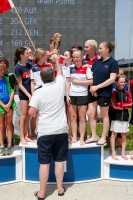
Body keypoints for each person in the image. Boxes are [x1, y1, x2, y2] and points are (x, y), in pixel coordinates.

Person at [28, 55, 68, 199]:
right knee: (59, 160)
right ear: (53, 76)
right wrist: (57, 61)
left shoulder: (38, 92)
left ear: (41, 78)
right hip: (62, 130)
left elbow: (31, 113)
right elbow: (60, 73)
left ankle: (42, 193)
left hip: (45, 132)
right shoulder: (59, 84)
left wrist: (37, 107)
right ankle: (60, 189)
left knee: (44, 163)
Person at [86, 41, 119, 145]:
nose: (99, 50)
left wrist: (98, 87)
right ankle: (94, 136)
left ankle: (103, 137)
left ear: (107, 49)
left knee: (104, 115)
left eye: (100, 48)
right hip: (93, 91)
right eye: (99, 48)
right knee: (90, 114)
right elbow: (91, 76)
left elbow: (112, 79)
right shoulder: (96, 62)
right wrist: (93, 88)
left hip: (104, 92)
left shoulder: (113, 62)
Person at [66, 50, 93, 146]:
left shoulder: (86, 69)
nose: (75, 59)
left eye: (77, 57)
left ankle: (81, 138)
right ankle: (73, 136)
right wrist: (67, 95)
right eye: (74, 57)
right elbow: (68, 82)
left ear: (82, 58)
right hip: (72, 95)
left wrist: (78, 82)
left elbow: (90, 82)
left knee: (82, 118)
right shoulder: (70, 68)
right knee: (73, 118)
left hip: (82, 94)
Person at [14, 46, 34, 145]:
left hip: (31, 93)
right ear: (21, 55)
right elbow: (20, 84)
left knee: (28, 115)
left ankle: (27, 135)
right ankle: (22, 136)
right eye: (26, 53)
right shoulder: (18, 67)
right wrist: (28, 95)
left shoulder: (29, 65)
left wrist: (32, 94)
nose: (28, 54)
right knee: (23, 115)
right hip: (24, 94)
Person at [110, 75, 132, 160]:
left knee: (124, 134)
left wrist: (121, 105)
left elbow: (130, 104)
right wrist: (124, 105)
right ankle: (113, 153)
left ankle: (123, 153)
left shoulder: (127, 93)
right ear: (117, 83)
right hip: (116, 117)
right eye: (121, 82)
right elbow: (114, 105)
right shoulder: (114, 93)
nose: (123, 83)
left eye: (124, 82)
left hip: (125, 117)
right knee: (114, 134)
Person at [108, 68, 128, 155]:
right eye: (119, 74)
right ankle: (111, 148)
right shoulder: (111, 85)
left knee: (122, 132)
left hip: (124, 113)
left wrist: (122, 104)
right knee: (113, 130)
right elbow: (112, 101)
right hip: (113, 111)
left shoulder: (125, 87)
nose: (121, 75)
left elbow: (129, 102)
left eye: (122, 74)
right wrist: (120, 105)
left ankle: (119, 147)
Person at [1, 57, 17, 148]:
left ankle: (10, 141)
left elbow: (13, 90)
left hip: (9, 103)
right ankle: (3, 141)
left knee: (9, 123)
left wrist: (9, 103)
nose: (3, 67)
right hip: (1, 104)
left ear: (7, 65)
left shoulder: (11, 75)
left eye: (4, 64)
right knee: (1, 124)